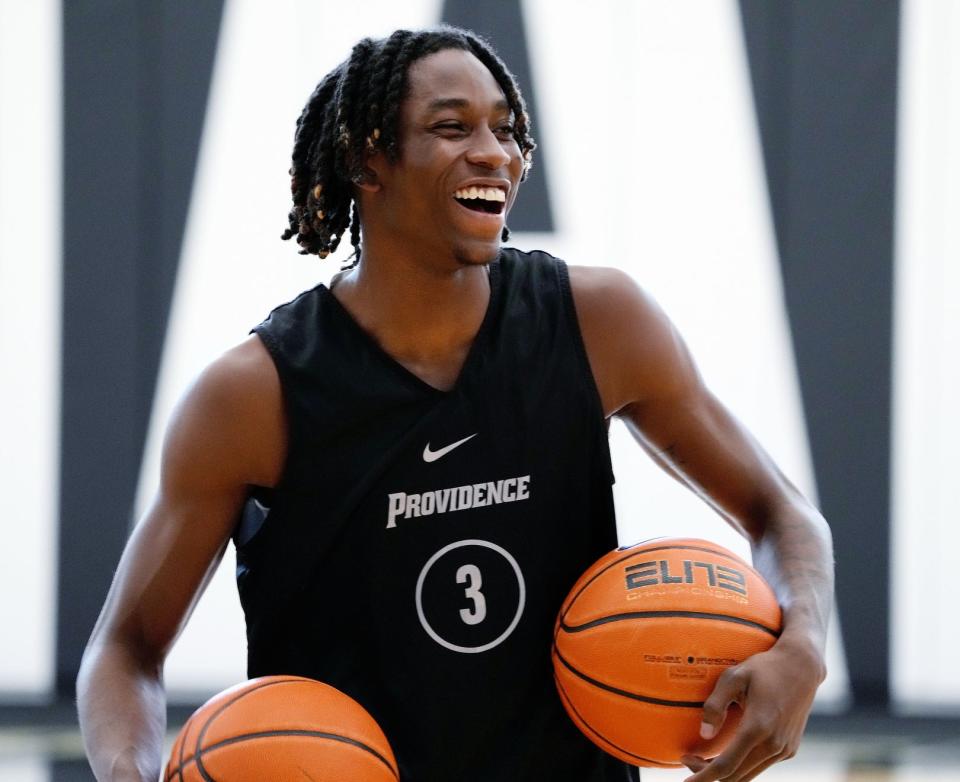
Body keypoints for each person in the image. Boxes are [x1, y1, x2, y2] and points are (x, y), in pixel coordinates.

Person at [77, 26, 833, 782]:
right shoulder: (254, 395)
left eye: (505, 128)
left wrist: (801, 644)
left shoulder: (600, 323)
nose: (494, 153)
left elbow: (783, 512)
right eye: (452, 126)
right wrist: (126, 772)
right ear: (366, 158)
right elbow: (126, 649)